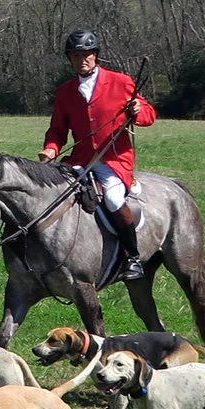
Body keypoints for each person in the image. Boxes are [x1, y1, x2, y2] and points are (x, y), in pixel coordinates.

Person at [40, 28, 156, 275]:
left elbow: (149, 115)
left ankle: (132, 257)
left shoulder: (121, 82)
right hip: (79, 159)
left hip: (114, 160)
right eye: (75, 55)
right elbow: (58, 130)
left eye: (86, 55)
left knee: (113, 199)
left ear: (95, 55)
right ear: (69, 58)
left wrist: (137, 109)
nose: (82, 60)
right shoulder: (65, 91)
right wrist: (50, 149)